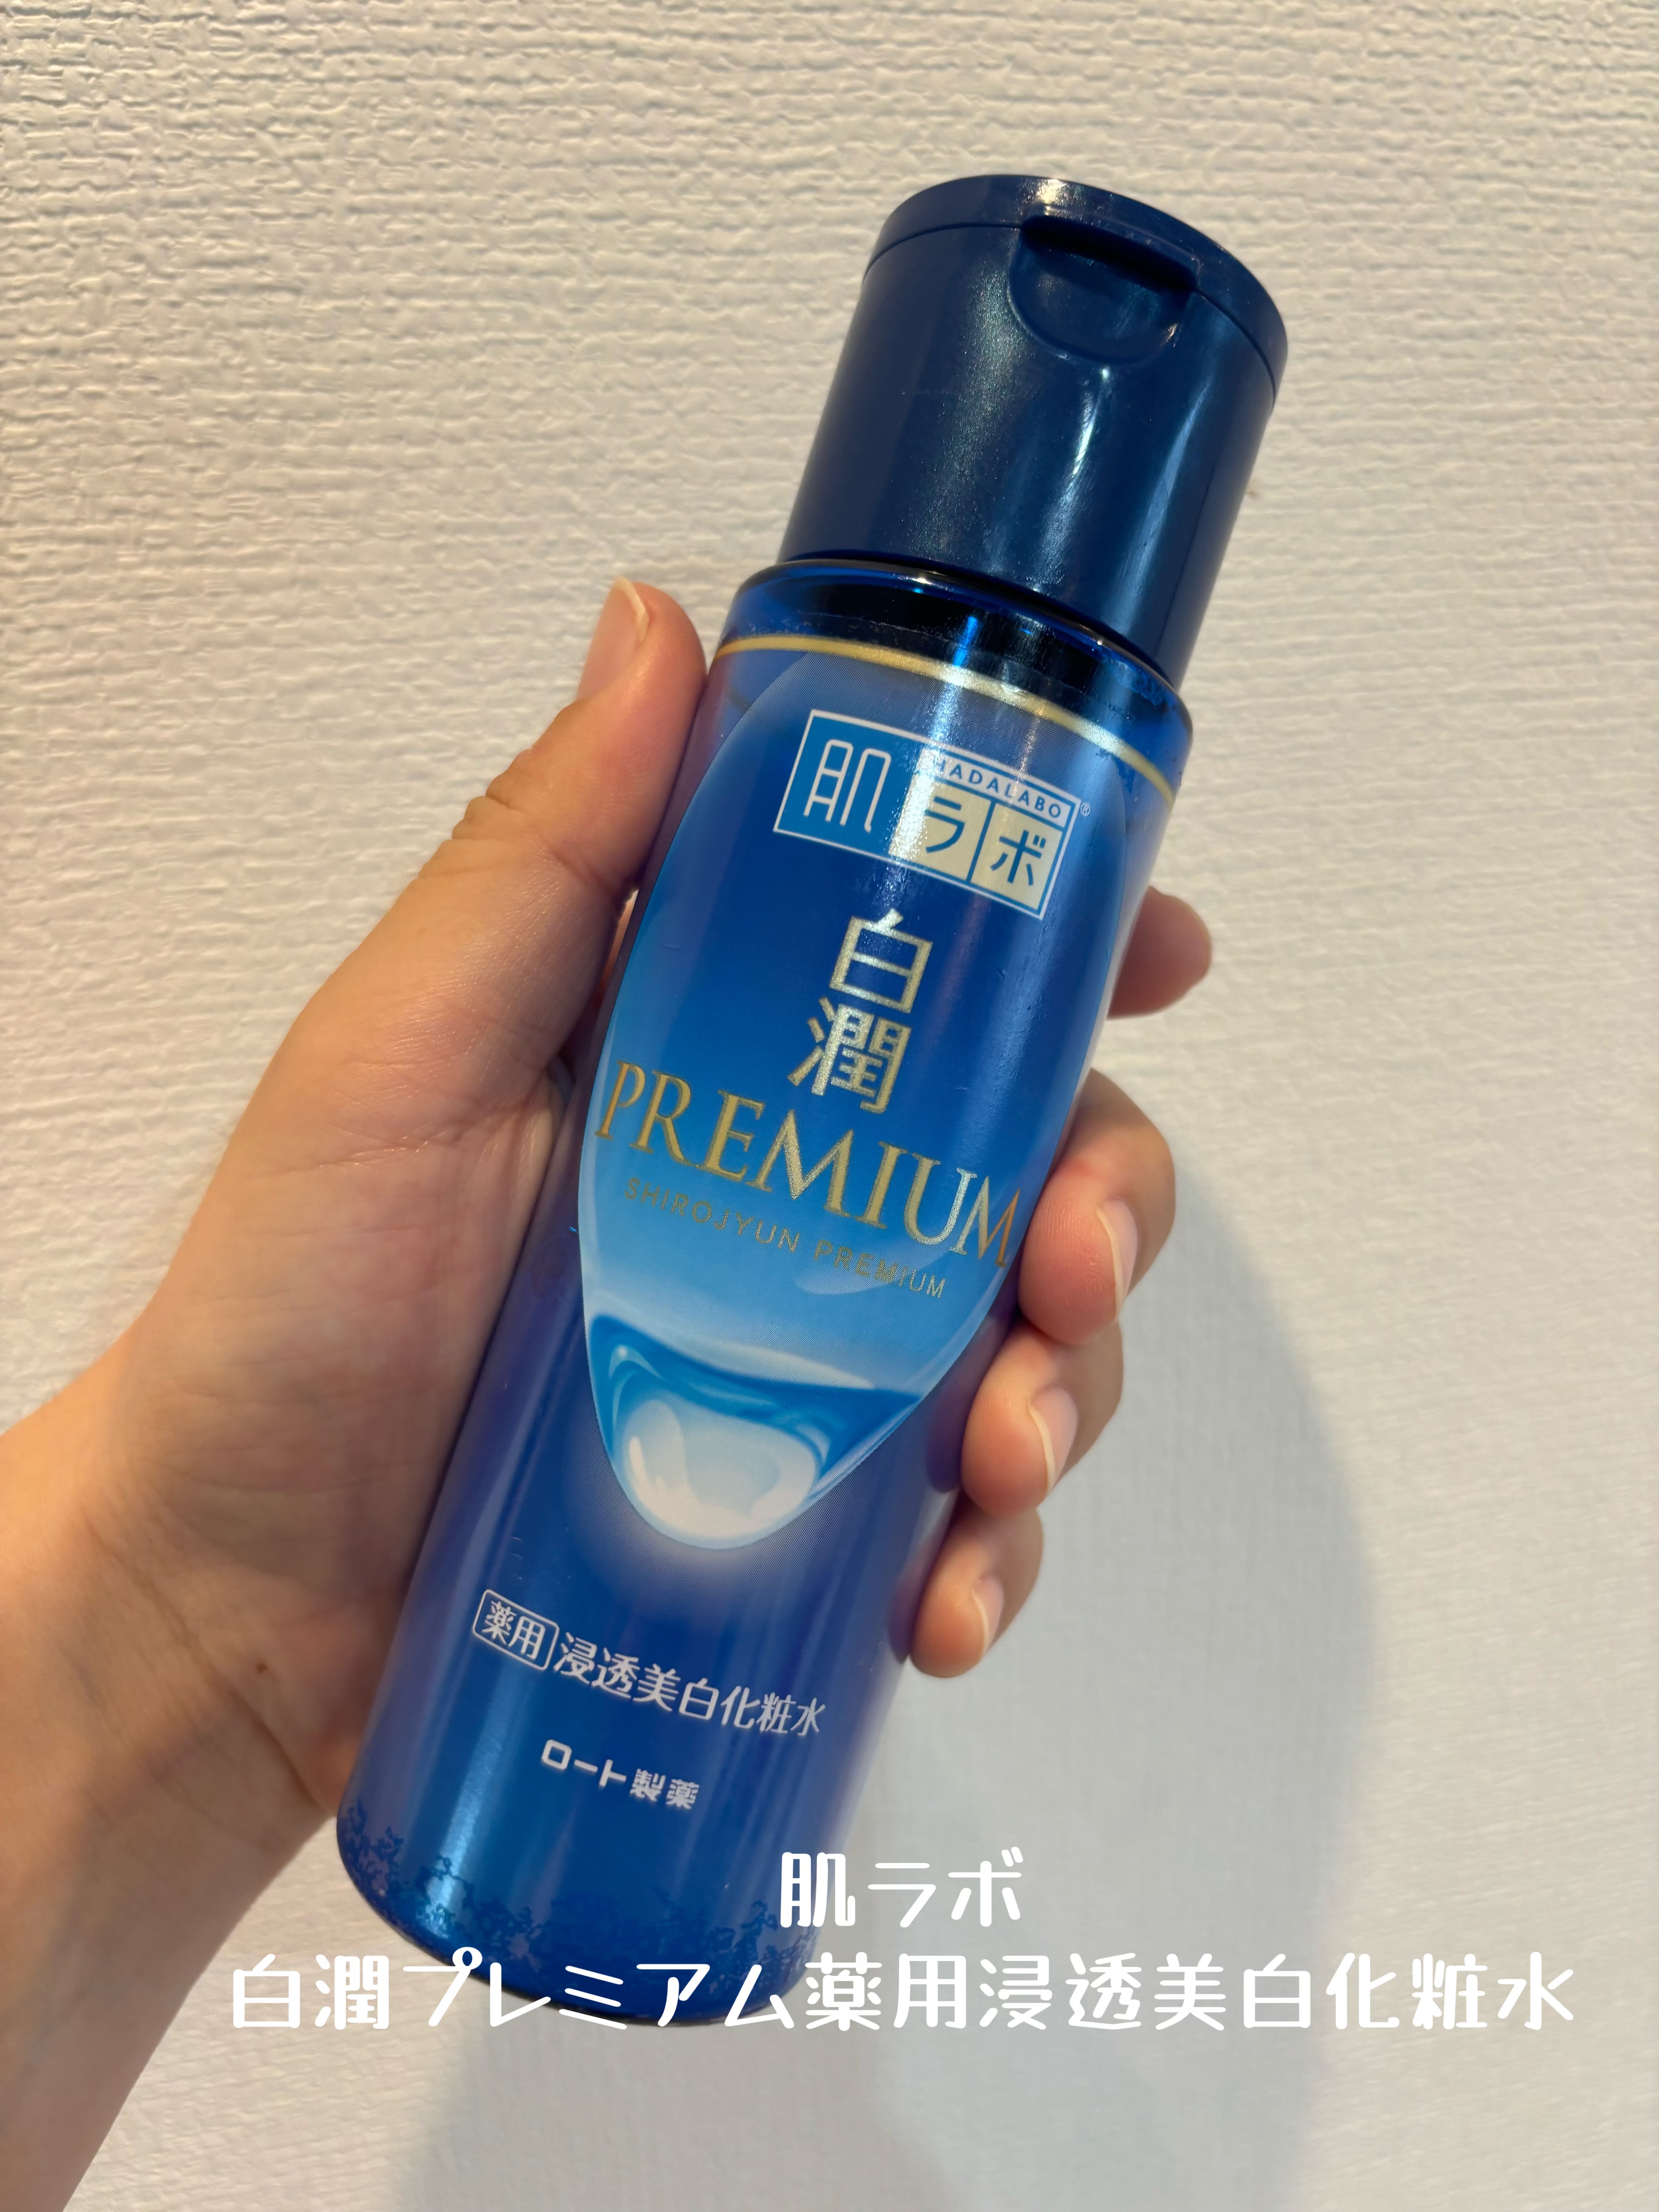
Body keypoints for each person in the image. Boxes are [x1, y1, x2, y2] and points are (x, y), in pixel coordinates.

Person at [0, 580, 1209, 2209]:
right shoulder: (811, 674)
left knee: (966, 1222)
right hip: (472, 1632)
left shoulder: (1055, 750)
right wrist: (163, 1603)